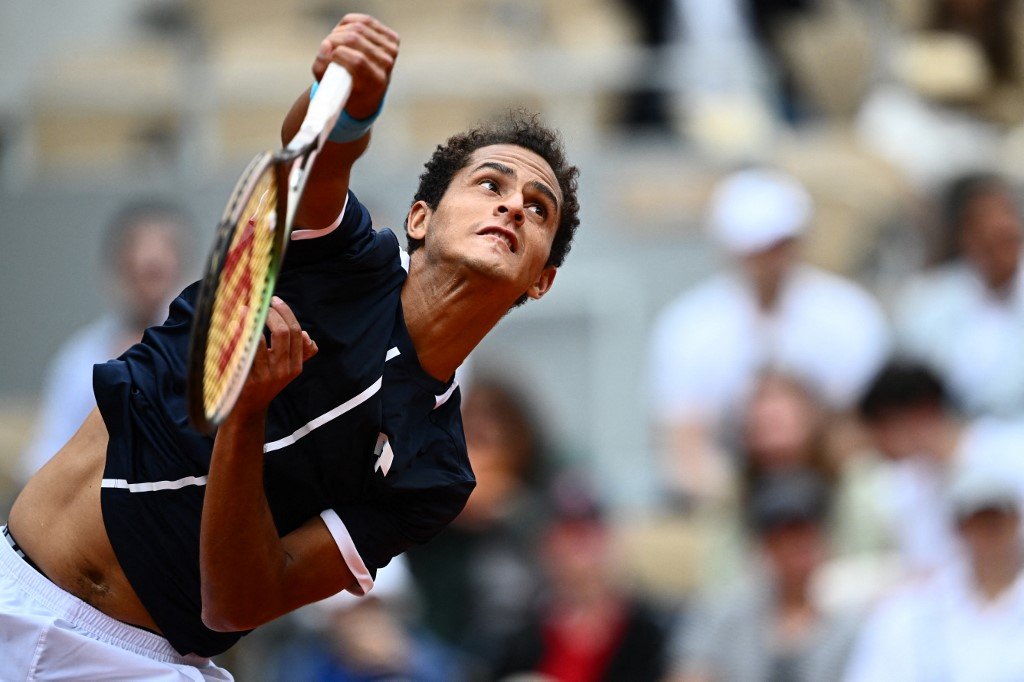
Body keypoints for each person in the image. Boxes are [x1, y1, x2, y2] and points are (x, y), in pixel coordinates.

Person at [0, 13, 581, 680]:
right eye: (492, 184)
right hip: (13, 589)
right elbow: (316, 160)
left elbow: (238, 602)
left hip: (143, 663)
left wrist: (247, 415)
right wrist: (353, 104)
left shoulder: (435, 474)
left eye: (539, 208)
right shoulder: (344, 260)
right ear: (420, 218)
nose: (513, 206)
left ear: (542, 279)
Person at [648, 167, 889, 507]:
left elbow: (866, 431)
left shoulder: (851, 315)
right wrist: (741, 503)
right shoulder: (688, 327)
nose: (769, 261)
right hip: (733, 499)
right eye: (755, 250)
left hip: (833, 492)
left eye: (778, 246)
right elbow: (684, 443)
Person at [19, 200, 190, 482]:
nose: (149, 274)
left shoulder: (202, 351)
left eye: (158, 271)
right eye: (141, 268)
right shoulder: (79, 358)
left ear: (181, 267)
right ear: (119, 268)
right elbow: (42, 456)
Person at [668, 471, 862, 682]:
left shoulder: (852, 619)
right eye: (782, 541)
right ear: (764, 547)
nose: (794, 552)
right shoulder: (722, 612)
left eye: (804, 539)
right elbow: (689, 671)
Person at [845, 467, 1024, 681]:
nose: (988, 535)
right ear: (959, 530)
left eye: (997, 522)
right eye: (977, 524)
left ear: (1015, 523)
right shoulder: (911, 611)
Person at [857, 360, 1024, 574]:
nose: (879, 443)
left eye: (885, 427)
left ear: (922, 412)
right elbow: (925, 570)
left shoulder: (1012, 454)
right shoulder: (902, 487)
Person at [893, 172, 1024, 418]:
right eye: (989, 240)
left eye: (1009, 240)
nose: (1002, 253)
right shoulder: (925, 301)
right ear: (966, 238)